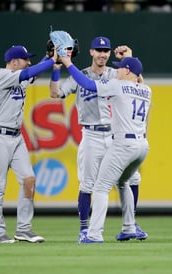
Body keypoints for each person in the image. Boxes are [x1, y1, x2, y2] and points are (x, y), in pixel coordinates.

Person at [50, 37, 148, 242]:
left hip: (116, 136)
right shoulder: (141, 86)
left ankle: (125, 226)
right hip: (93, 134)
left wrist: (68, 63)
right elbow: (56, 93)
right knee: (88, 184)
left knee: (125, 182)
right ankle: (86, 228)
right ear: (91, 52)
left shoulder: (115, 75)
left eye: (106, 50)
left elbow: (128, 76)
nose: (103, 54)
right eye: (99, 50)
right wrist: (57, 68)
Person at [0, 45, 58, 243]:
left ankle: (24, 229)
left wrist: (49, 56)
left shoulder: (19, 77)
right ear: (14, 62)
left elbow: (33, 73)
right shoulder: (1, 75)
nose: (28, 62)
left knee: (29, 179)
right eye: (25, 59)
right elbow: (30, 72)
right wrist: (51, 61)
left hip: (16, 137)